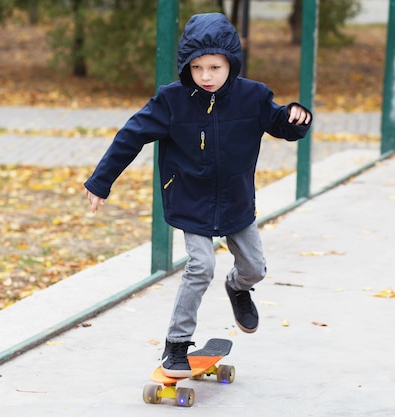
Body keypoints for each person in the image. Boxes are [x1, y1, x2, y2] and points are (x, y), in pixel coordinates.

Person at [84, 13, 312, 378]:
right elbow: (131, 135)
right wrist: (100, 181)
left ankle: (238, 289)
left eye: (215, 67)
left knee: (254, 267)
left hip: (236, 200)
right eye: (197, 67)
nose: (205, 76)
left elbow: (280, 123)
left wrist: (296, 117)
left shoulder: (252, 97)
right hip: (191, 199)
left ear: (231, 64)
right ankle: (176, 344)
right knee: (201, 265)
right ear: (186, 66)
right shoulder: (171, 102)